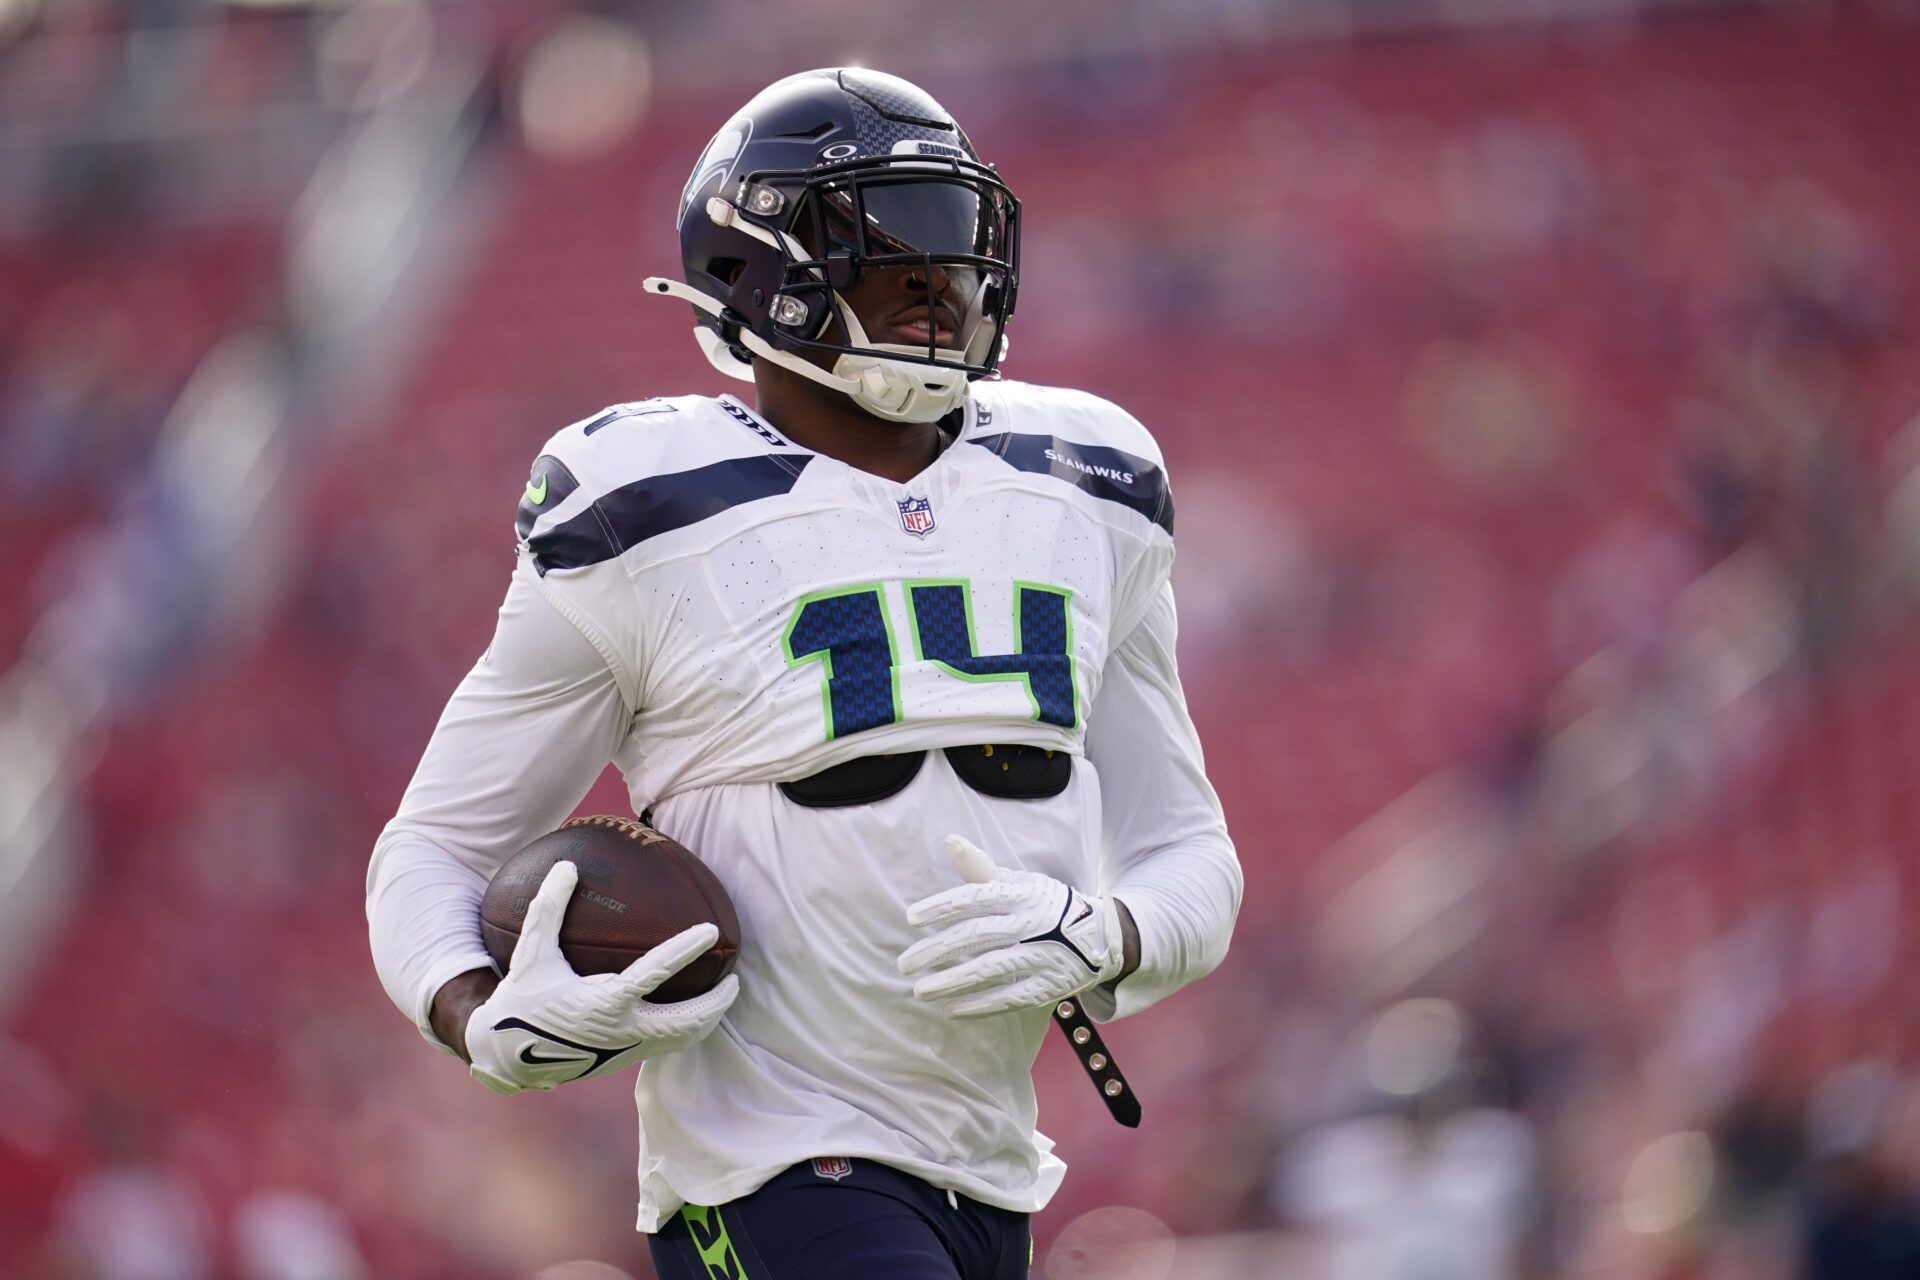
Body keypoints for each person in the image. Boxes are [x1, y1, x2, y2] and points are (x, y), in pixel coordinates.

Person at [366, 68, 1241, 1280]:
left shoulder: (1092, 482)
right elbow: (434, 847)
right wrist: (480, 1009)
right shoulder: (640, 511)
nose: (942, 288)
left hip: (989, 1166)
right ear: (753, 272)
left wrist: (1111, 931)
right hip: (770, 1161)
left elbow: (1192, 856)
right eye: (890, 255)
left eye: (955, 250)